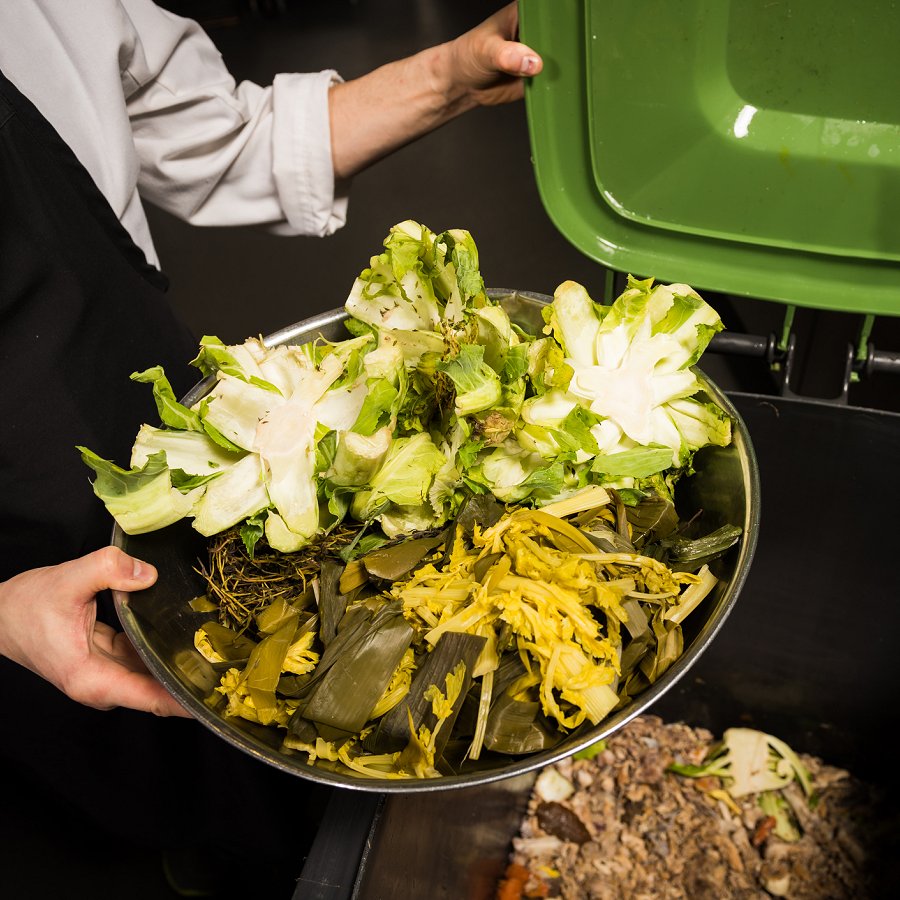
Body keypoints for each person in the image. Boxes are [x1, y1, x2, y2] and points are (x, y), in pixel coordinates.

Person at [0, 0, 542, 890]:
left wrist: (447, 78)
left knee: (272, 733)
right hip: (12, 558)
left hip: (184, 443)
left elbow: (228, 141)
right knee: (111, 808)